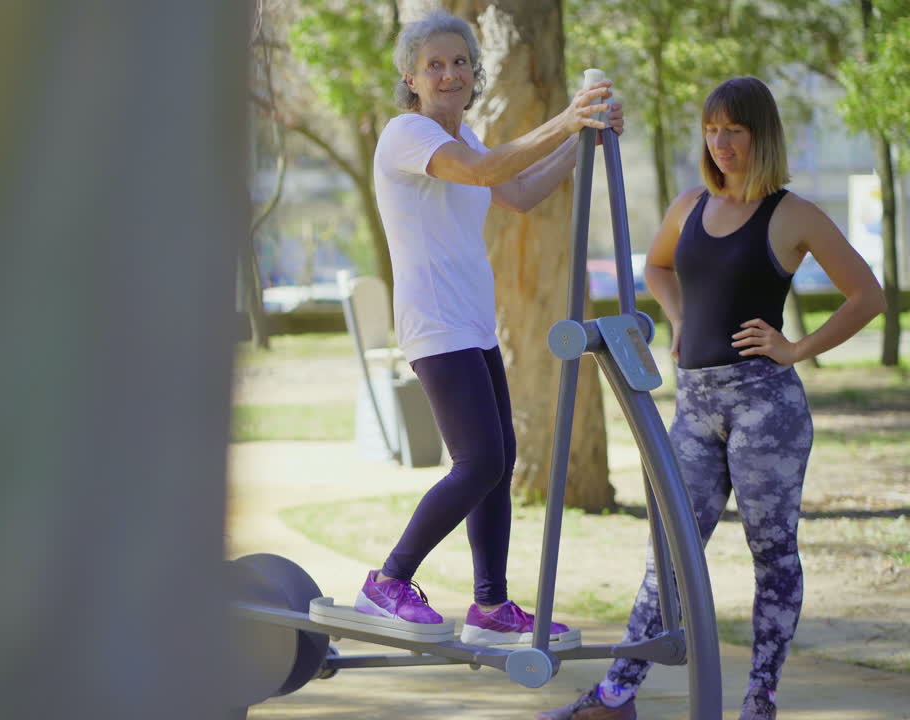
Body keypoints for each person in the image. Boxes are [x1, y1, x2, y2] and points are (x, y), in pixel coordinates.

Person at [538, 77, 885, 720]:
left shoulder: (792, 213)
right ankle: (616, 696)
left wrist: (795, 348)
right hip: (695, 407)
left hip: (766, 410)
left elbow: (869, 296)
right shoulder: (689, 205)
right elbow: (659, 267)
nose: (719, 142)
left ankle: (760, 700)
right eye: (711, 128)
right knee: (668, 554)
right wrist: (677, 318)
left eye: (734, 130)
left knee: (772, 554)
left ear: (761, 134)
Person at [354, 9, 623, 652]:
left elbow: (520, 189)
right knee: (479, 462)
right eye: (434, 65)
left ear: (475, 73)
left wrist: (582, 140)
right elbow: (484, 175)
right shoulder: (406, 134)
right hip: (435, 323)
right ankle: (387, 581)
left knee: (498, 465)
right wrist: (567, 117)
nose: (449, 73)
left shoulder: (467, 138)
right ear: (411, 77)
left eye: (459, 62)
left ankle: (491, 606)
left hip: (473, 324)